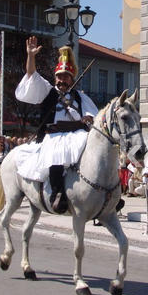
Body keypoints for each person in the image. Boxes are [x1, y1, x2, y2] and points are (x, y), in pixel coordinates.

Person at [15, 36, 99, 213]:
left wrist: (88, 119)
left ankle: (102, 194)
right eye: (59, 76)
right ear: (55, 77)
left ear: (71, 78)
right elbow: (32, 75)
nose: (62, 80)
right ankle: (57, 194)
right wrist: (31, 56)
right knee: (57, 152)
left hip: (77, 133)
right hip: (53, 135)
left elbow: (92, 114)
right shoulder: (47, 91)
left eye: (66, 77)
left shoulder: (80, 96)